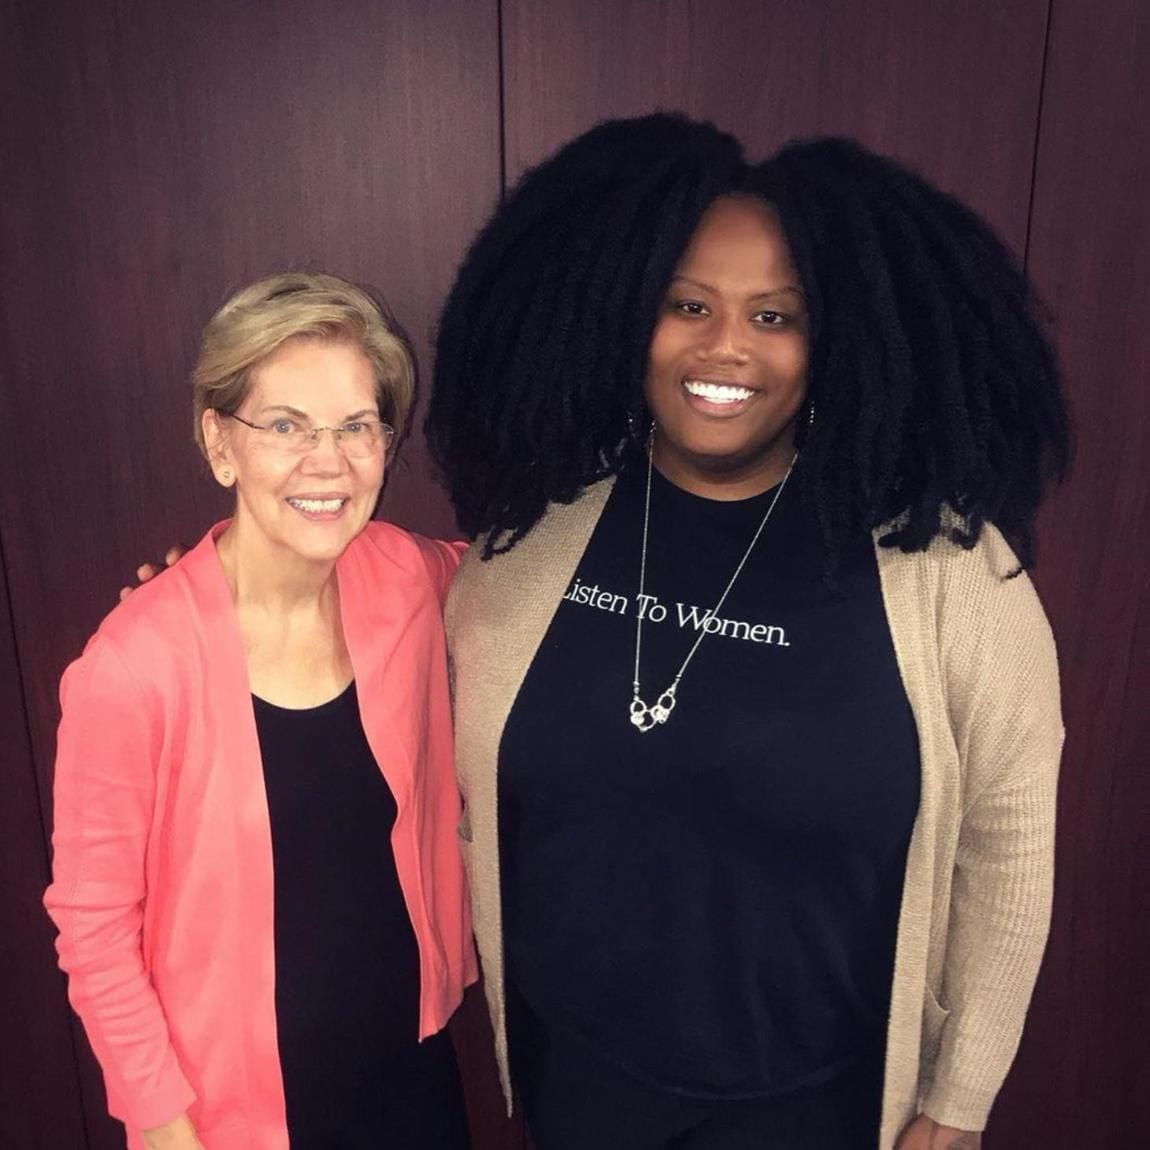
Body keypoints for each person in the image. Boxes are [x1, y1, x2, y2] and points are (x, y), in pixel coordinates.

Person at [426, 115, 1068, 1150]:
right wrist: (224, 595)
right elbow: (388, 651)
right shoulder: (529, 546)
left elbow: (1009, 845)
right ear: (622, 313)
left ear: (838, 340)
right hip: (577, 1089)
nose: (725, 346)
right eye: (687, 305)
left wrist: (959, 1098)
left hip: (820, 1105)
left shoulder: (945, 570)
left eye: (776, 317)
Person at [44, 273, 476, 1150]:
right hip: (234, 1117)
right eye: (286, 426)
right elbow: (92, 932)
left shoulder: (403, 577)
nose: (330, 460)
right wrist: (165, 1127)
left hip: (414, 1073)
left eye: (357, 425)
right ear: (219, 443)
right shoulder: (131, 668)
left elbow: (511, 584)